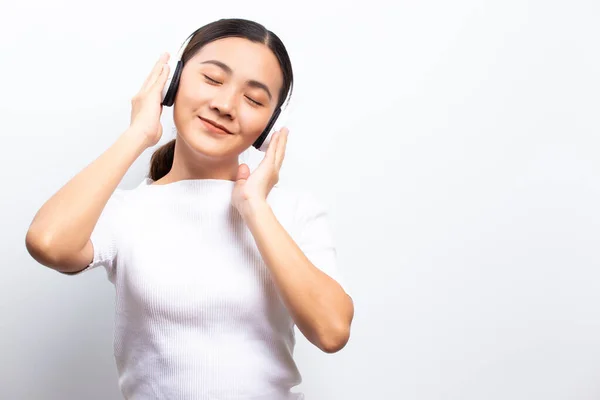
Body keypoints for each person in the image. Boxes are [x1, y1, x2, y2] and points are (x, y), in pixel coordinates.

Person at [25, 18, 354, 400]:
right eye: (213, 79)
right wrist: (138, 134)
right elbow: (48, 243)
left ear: (269, 125)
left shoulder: (292, 211)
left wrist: (254, 208)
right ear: (173, 83)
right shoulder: (128, 211)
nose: (225, 105)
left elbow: (331, 331)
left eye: (253, 99)